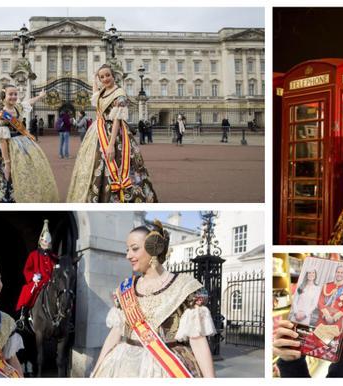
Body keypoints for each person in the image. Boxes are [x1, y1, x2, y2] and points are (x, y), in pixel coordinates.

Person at [91, 221, 215, 377]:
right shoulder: (126, 288)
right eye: (127, 250)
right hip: (123, 365)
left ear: (153, 248)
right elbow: (116, 332)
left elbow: (197, 341)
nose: (128, 255)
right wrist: (97, 368)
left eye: (134, 249)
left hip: (167, 368)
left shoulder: (185, 288)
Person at [66, 64, 158, 203]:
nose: (105, 79)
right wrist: (93, 77)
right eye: (102, 77)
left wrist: (110, 145)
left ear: (113, 75)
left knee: (118, 162)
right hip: (98, 131)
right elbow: (95, 97)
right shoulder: (102, 91)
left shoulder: (119, 93)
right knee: (95, 164)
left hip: (115, 135)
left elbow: (117, 119)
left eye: (107, 75)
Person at [0, 84, 59, 203]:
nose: (14, 97)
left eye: (15, 94)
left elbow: (28, 102)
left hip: (22, 143)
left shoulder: (17, 108)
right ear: (4, 96)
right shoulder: (2, 115)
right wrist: (7, 163)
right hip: (8, 149)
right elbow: (3, 141)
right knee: (5, 177)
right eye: (10, 94)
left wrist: (40, 96)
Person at [15, 220, 58, 331]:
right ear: (40, 241)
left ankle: (66, 320)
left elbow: (56, 268)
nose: (45, 244)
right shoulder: (33, 255)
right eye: (44, 242)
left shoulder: (53, 256)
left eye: (47, 243)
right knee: (29, 290)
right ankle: (23, 316)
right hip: (38, 280)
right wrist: (33, 277)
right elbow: (27, 269)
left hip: (50, 281)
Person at [316, 265, 343, 330]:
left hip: (336, 321)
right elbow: (320, 302)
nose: (339, 274)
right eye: (338, 272)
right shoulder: (327, 286)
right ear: (335, 273)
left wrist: (334, 318)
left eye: (341, 272)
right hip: (323, 317)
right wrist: (327, 315)